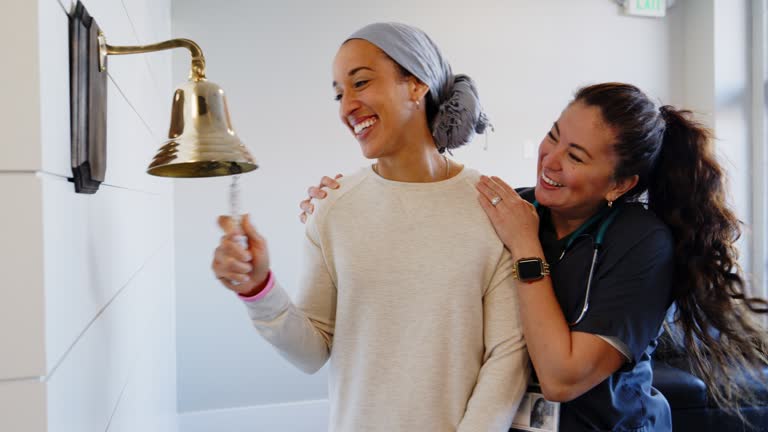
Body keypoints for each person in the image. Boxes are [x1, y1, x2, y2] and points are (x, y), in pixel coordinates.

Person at [301, 82, 768, 431]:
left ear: (619, 185)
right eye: (553, 135)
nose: (549, 159)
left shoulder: (642, 244)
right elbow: (418, 228)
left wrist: (526, 248)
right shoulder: (513, 205)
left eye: (577, 156)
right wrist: (336, 209)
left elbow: (562, 378)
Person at [212, 22, 528, 432]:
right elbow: (311, 353)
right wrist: (257, 289)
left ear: (416, 85)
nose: (347, 107)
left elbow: (507, 356)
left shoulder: (491, 207)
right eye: (339, 94)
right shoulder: (334, 209)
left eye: (360, 83)